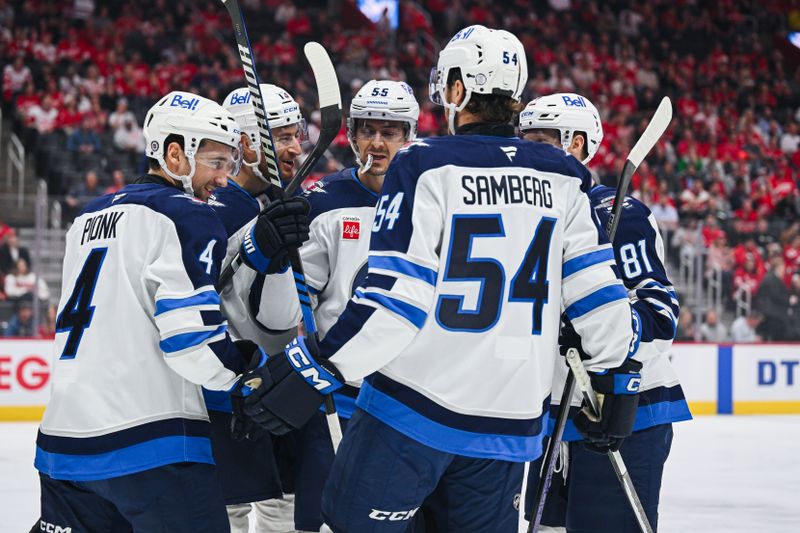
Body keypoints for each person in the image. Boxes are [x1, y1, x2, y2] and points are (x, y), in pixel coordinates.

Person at [239, 26, 638, 532]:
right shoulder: (564, 174)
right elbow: (602, 302)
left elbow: (395, 303)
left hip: (415, 410)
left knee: (349, 521)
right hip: (511, 420)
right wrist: (608, 374)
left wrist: (313, 366)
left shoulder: (425, 163)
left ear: (456, 90)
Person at [33, 90, 302, 533]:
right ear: (175, 153)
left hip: (63, 444)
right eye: (216, 163)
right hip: (150, 446)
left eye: (231, 164)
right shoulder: (186, 215)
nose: (223, 179)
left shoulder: (86, 218)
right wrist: (254, 372)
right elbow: (191, 343)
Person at [519, 92, 691, 532]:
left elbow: (659, 315)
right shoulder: (522, 218)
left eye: (542, 142)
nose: (528, 155)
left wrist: (602, 328)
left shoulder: (620, 215)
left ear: (577, 144)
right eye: (525, 142)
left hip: (621, 409)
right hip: (554, 414)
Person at [256, 79, 421, 532]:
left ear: (409, 136)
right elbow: (289, 307)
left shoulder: (433, 200)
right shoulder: (324, 202)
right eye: (367, 130)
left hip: (412, 398)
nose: (378, 142)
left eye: (390, 132)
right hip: (337, 392)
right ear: (350, 134)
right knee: (318, 521)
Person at [206, 83, 312, 533]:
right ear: (246, 143)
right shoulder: (219, 205)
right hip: (230, 390)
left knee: (281, 504)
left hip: (275, 383)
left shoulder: (266, 200)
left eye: (296, 135)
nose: (296, 147)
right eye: (283, 137)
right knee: (230, 509)